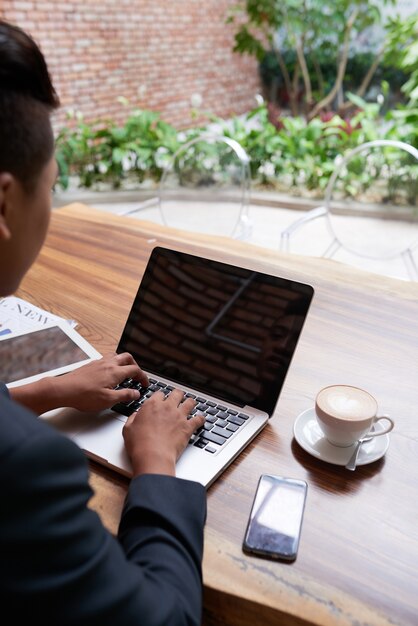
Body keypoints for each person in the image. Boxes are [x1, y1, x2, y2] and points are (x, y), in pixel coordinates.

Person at [0, 20, 207, 624]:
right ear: (6, 203)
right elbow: (166, 618)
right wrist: (156, 465)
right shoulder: (27, 469)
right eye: (53, 186)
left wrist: (42, 391)